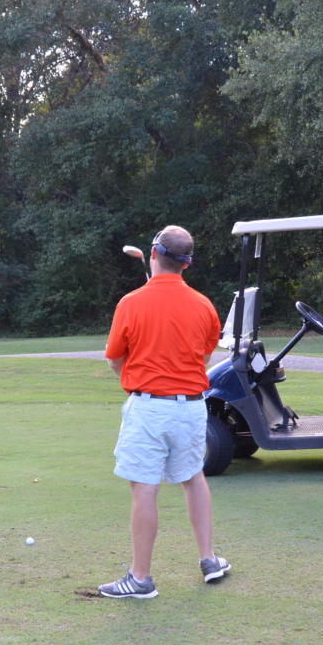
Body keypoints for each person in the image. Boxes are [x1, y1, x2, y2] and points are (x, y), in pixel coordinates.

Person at [97, 225, 230, 599]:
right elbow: (203, 358)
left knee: (144, 487)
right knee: (193, 477)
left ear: (154, 254)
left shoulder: (130, 303)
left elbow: (114, 360)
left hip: (149, 407)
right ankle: (209, 559)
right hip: (192, 408)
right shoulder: (204, 305)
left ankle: (140, 579)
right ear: (186, 263)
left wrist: (137, 380)